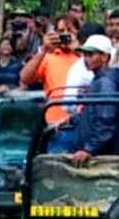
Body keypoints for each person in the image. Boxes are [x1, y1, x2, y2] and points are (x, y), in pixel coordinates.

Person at [19, 14, 81, 150]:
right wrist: (43, 50)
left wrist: (79, 51)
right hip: (58, 128)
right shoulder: (49, 57)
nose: (65, 35)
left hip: (83, 126)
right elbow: (25, 78)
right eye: (61, 31)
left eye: (69, 31)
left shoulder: (85, 57)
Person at [68, 34, 119, 163]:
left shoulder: (105, 84)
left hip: (101, 158)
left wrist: (89, 149)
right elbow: (93, 115)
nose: (86, 59)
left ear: (104, 57)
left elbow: (106, 121)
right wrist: (71, 119)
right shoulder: (99, 81)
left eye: (90, 55)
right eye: (85, 55)